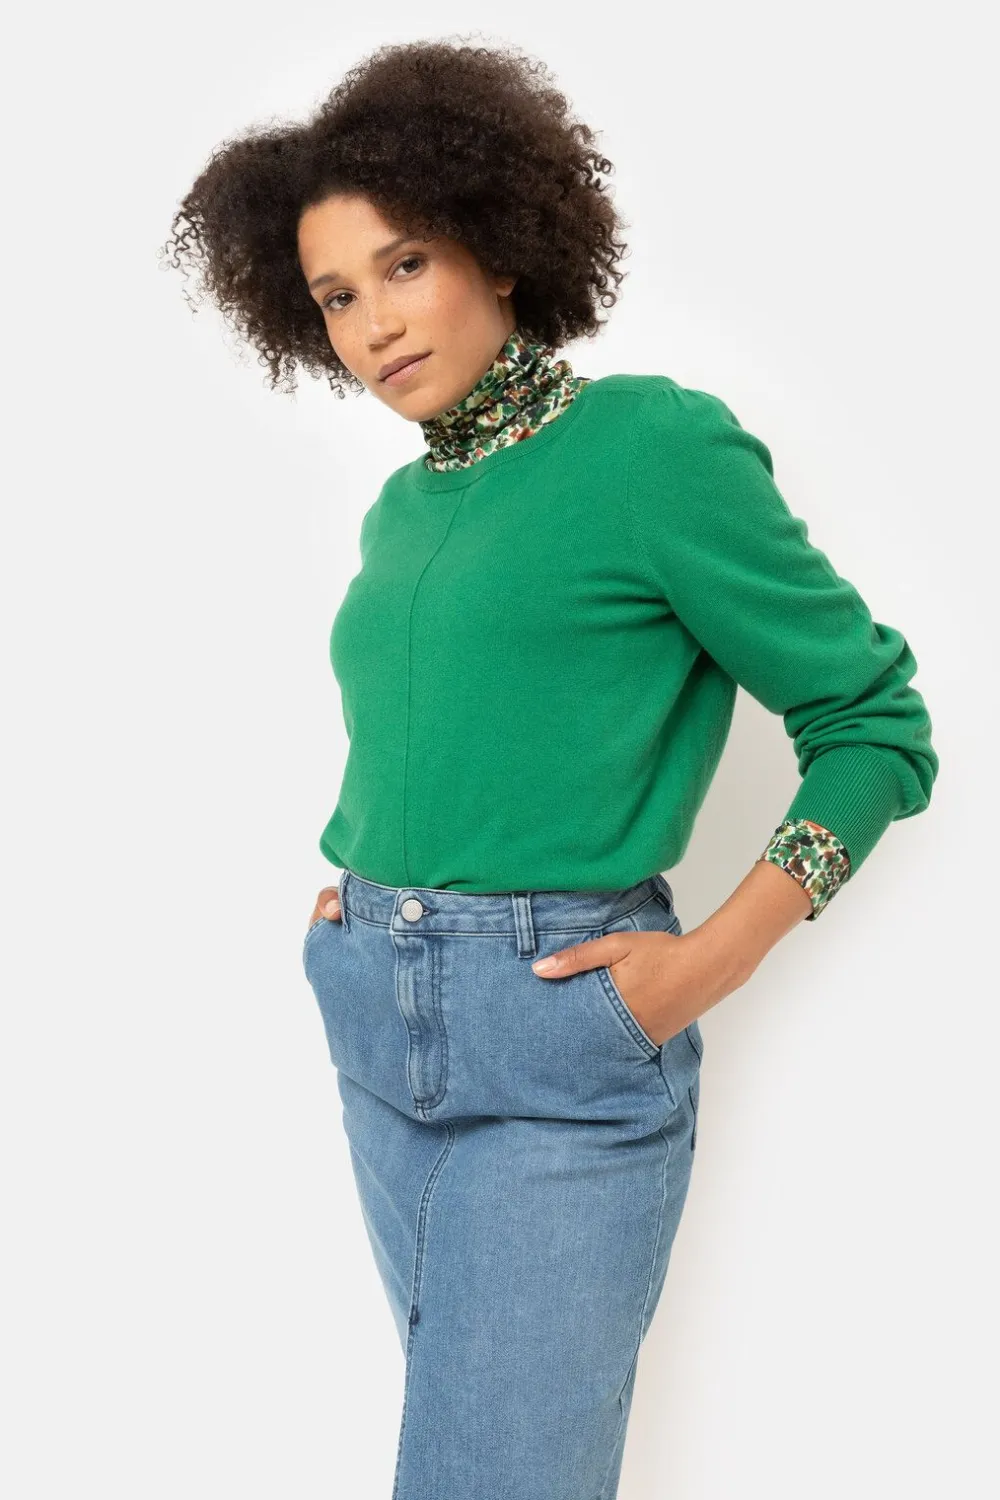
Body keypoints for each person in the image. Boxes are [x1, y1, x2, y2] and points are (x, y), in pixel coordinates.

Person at [161, 37, 939, 1500]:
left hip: (562, 1031)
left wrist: (706, 965)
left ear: (500, 248)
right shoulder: (402, 508)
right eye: (336, 296)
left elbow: (874, 725)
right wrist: (363, 894)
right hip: (375, 1021)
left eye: (405, 264)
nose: (376, 323)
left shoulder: (649, 449)